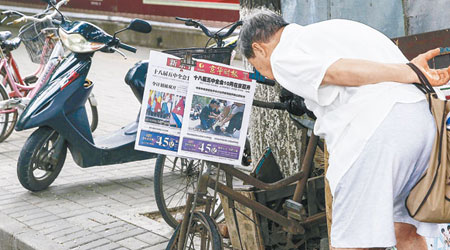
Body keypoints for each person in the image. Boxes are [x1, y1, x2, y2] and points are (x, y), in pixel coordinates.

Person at [239, 9, 450, 250]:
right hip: (422, 123)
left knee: (350, 243)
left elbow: (337, 71)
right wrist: (410, 73)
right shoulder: (336, 29)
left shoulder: (281, 54)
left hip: (376, 130)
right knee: (403, 231)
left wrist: (410, 72)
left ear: (258, 49)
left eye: (259, 67)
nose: (270, 75)